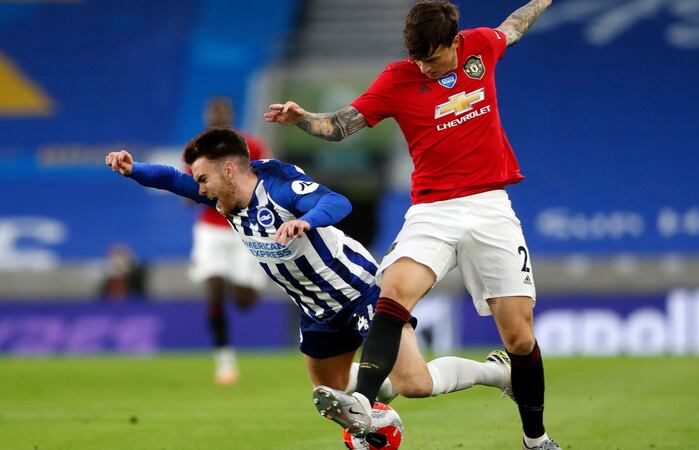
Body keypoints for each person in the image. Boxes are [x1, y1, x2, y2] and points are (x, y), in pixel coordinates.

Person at [264, 1, 557, 448]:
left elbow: (513, 26)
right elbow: (342, 125)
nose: (423, 65)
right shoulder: (399, 76)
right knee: (393, 292)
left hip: (490, 207)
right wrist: (302, 118)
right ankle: (362, 403)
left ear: (455, 42)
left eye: (432, 57)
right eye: (417, 57)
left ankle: (536, 440)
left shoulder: (481, 47)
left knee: (519, 336)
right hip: (432, 210)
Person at [105, 128, 514, 445]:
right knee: (330, 393)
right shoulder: (219, 198)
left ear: (228, 169)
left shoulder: (279, 184)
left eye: (204, 178)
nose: (199, 188)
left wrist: (307, 220)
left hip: (360, 291)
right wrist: (133, 168)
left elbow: (338, 202)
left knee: (417, 385)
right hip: (316, 310)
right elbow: (169, 179)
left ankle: (497, 373)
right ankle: (378, 408)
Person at [191, 96, 270, 385]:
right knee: (213, 286)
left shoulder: (250, 146)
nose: (217, 117)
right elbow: (189, 190)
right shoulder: (196, 151)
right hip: (211, 228)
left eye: (222, 112)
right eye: (212, 112)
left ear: (231, 116)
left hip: (244, 227)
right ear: (206, 117)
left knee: (244, 300)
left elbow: (265, 176)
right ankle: (224, 360)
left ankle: (248, 284)